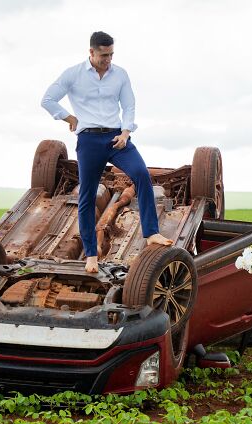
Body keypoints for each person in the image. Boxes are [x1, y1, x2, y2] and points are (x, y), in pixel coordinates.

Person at [41, 31, 172, 273]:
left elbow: (129, 105)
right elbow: (48, 99)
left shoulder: (120, 74)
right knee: (87, 196)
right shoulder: (73, 74)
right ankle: (91, 255)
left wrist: (125, 132)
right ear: (91, 52)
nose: (108, 60)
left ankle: (151, 232)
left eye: (111, 54)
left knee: (141, 174)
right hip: (89, 140)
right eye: (103, 55)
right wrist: (69, 117)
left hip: (116, 138)